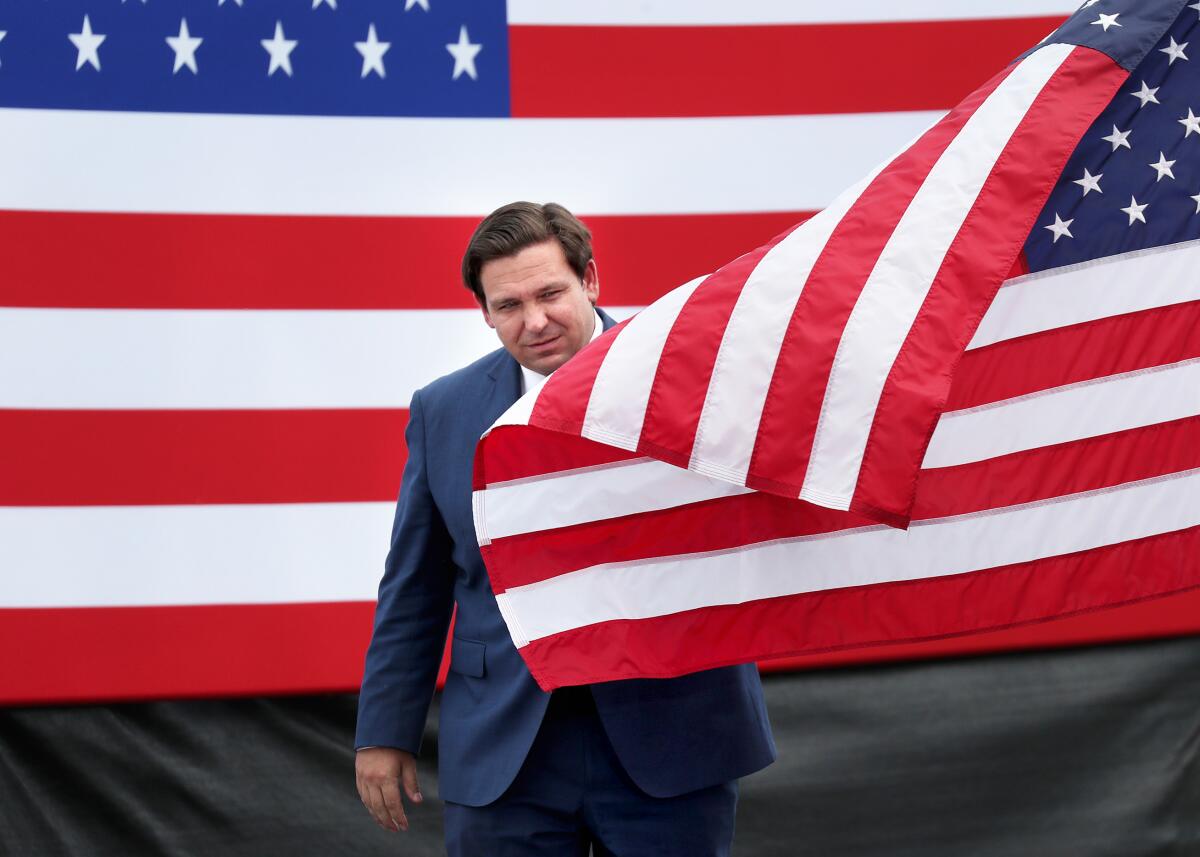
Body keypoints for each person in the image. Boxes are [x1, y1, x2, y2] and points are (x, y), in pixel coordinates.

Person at [355, 201, 776, 856]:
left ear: (591, 280)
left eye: (550, 293)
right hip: (505, 750)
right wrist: (383, 732)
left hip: (672, 732)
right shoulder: (443, 411)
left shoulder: (691, 377)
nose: (535, 320)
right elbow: (415, 588)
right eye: (509, 305)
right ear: (485, 313)